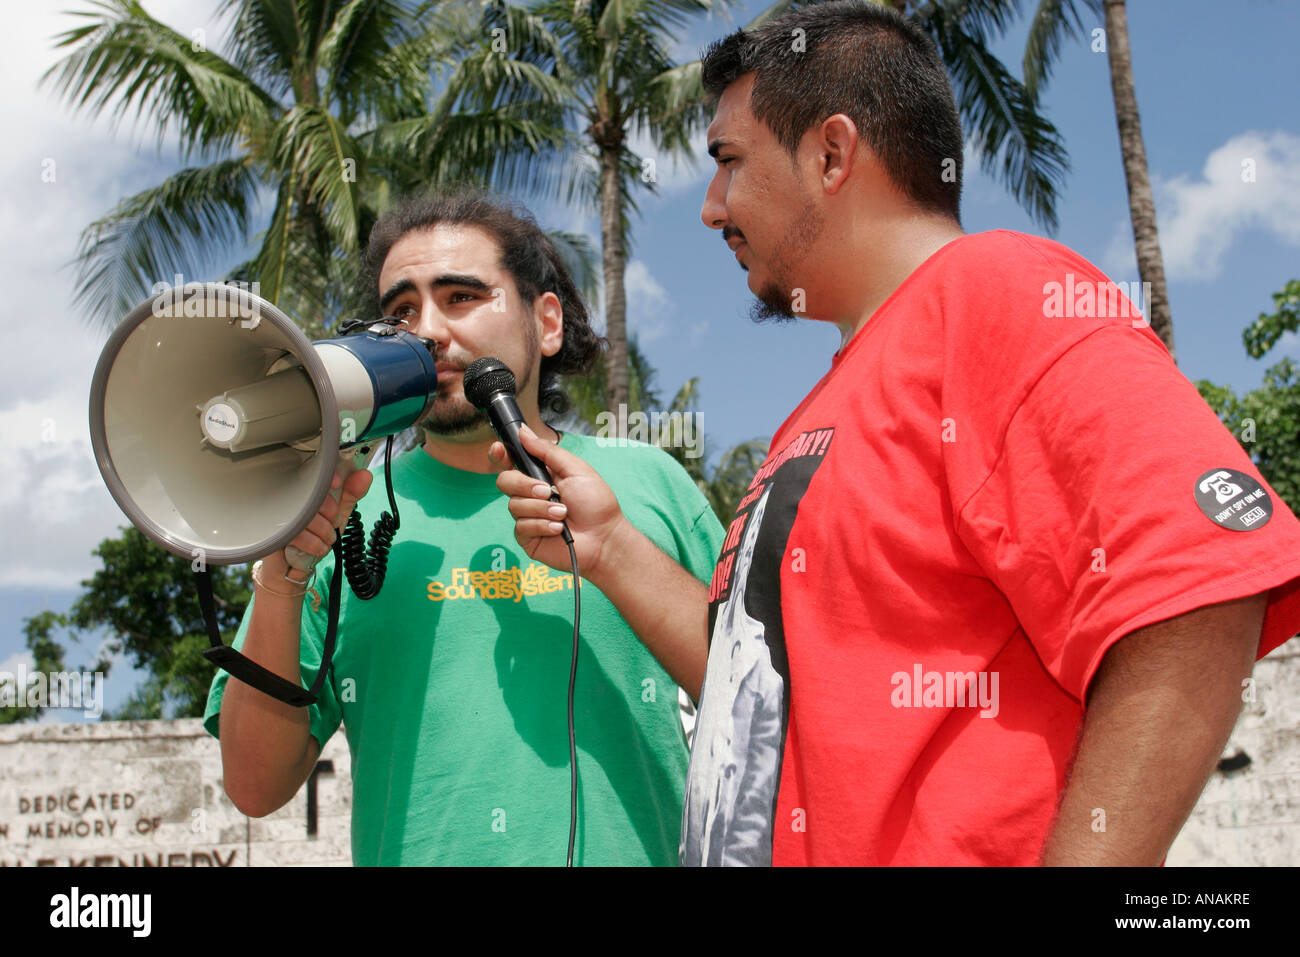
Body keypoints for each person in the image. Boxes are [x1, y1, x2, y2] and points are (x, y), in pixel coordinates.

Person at [495, 1, 1300, 865]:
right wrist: (611, 543)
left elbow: (1196, 585)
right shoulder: (819, 409)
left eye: (728, 161)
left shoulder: (999, 292)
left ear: (832, 154)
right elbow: (765, 695)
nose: (711, 207)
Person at [203, 192, 725, 866]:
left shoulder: (650, 483)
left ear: (547, 323)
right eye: (400, 311)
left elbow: (764, 695)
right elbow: (253, 784)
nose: (427, 330)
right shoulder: (336, 515)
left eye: (460, 297)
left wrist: (617, 553)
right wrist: (282, 576)